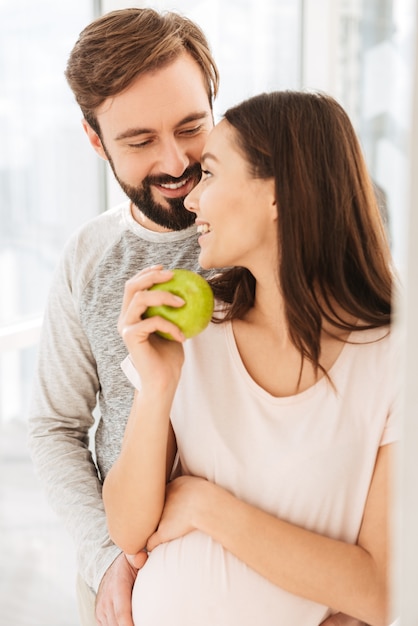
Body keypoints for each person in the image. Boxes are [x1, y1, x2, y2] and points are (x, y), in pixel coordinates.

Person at [105, 91, 399, 625]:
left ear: (280, 194)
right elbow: (128, 528)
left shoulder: (393, 356)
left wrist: (204, 506)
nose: (191, 200)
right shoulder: (196, 331)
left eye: (211, 174)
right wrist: (158, 386)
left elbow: (382, 592)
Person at [27, 8, 218, 626]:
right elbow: (56, 427)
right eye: (139, 141)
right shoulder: (89, 257)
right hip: (129, 587)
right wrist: (106, 558)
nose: (174, 162)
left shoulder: (278, 232)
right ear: (94, 138)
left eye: (192, 126)